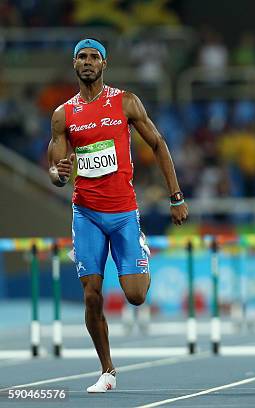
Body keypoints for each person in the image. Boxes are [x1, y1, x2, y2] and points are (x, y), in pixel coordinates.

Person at [47, 39, 188, 392]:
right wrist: (59, 173)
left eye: (95, 57)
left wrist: (176, 196)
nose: (88, 62)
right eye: (82, 56)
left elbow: (158, 144)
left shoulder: (125, 102)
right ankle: (107, 370)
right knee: (91, 293)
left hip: (123, 212)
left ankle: (139, 253)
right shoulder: (63, 115)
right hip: (86, 213)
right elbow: (56, 170)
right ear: (74, 63)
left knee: (136, 296)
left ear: (104, 64)